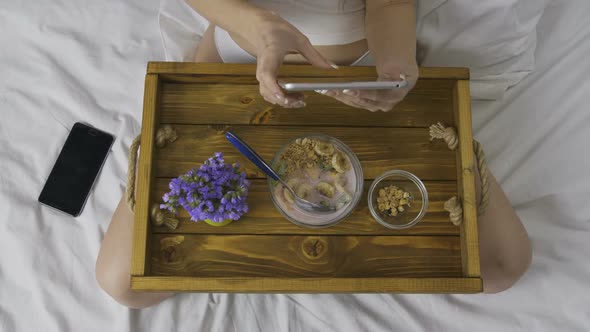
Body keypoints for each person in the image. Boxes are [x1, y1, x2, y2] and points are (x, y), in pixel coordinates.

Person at [96, 0, 532, 308]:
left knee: (502, 265)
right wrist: (261, 26)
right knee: (121, 283)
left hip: (358, 76)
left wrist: (396, 67)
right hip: (236, 60)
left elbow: (390, 4)